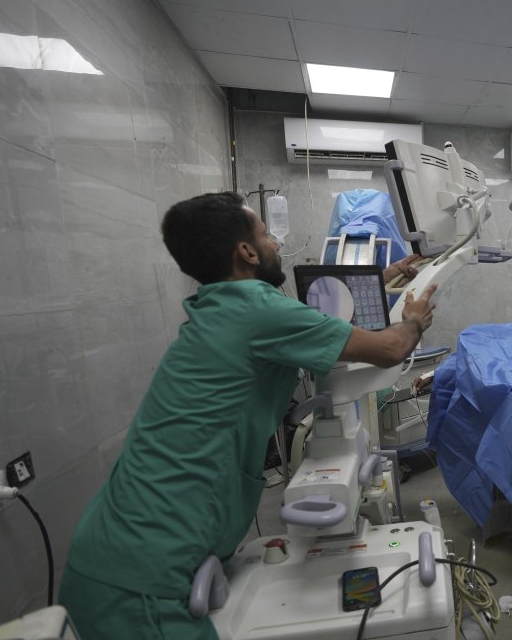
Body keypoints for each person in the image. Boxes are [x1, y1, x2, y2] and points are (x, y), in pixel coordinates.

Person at [58, 192, 437, 640]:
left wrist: (384, 276)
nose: (276, 243)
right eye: (266, 235)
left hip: (124, 546)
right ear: (247, 252)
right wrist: (414, 319)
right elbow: (390, 348)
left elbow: (310, 314)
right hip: (143, 575)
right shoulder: (259, 311)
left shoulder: (222, 306)